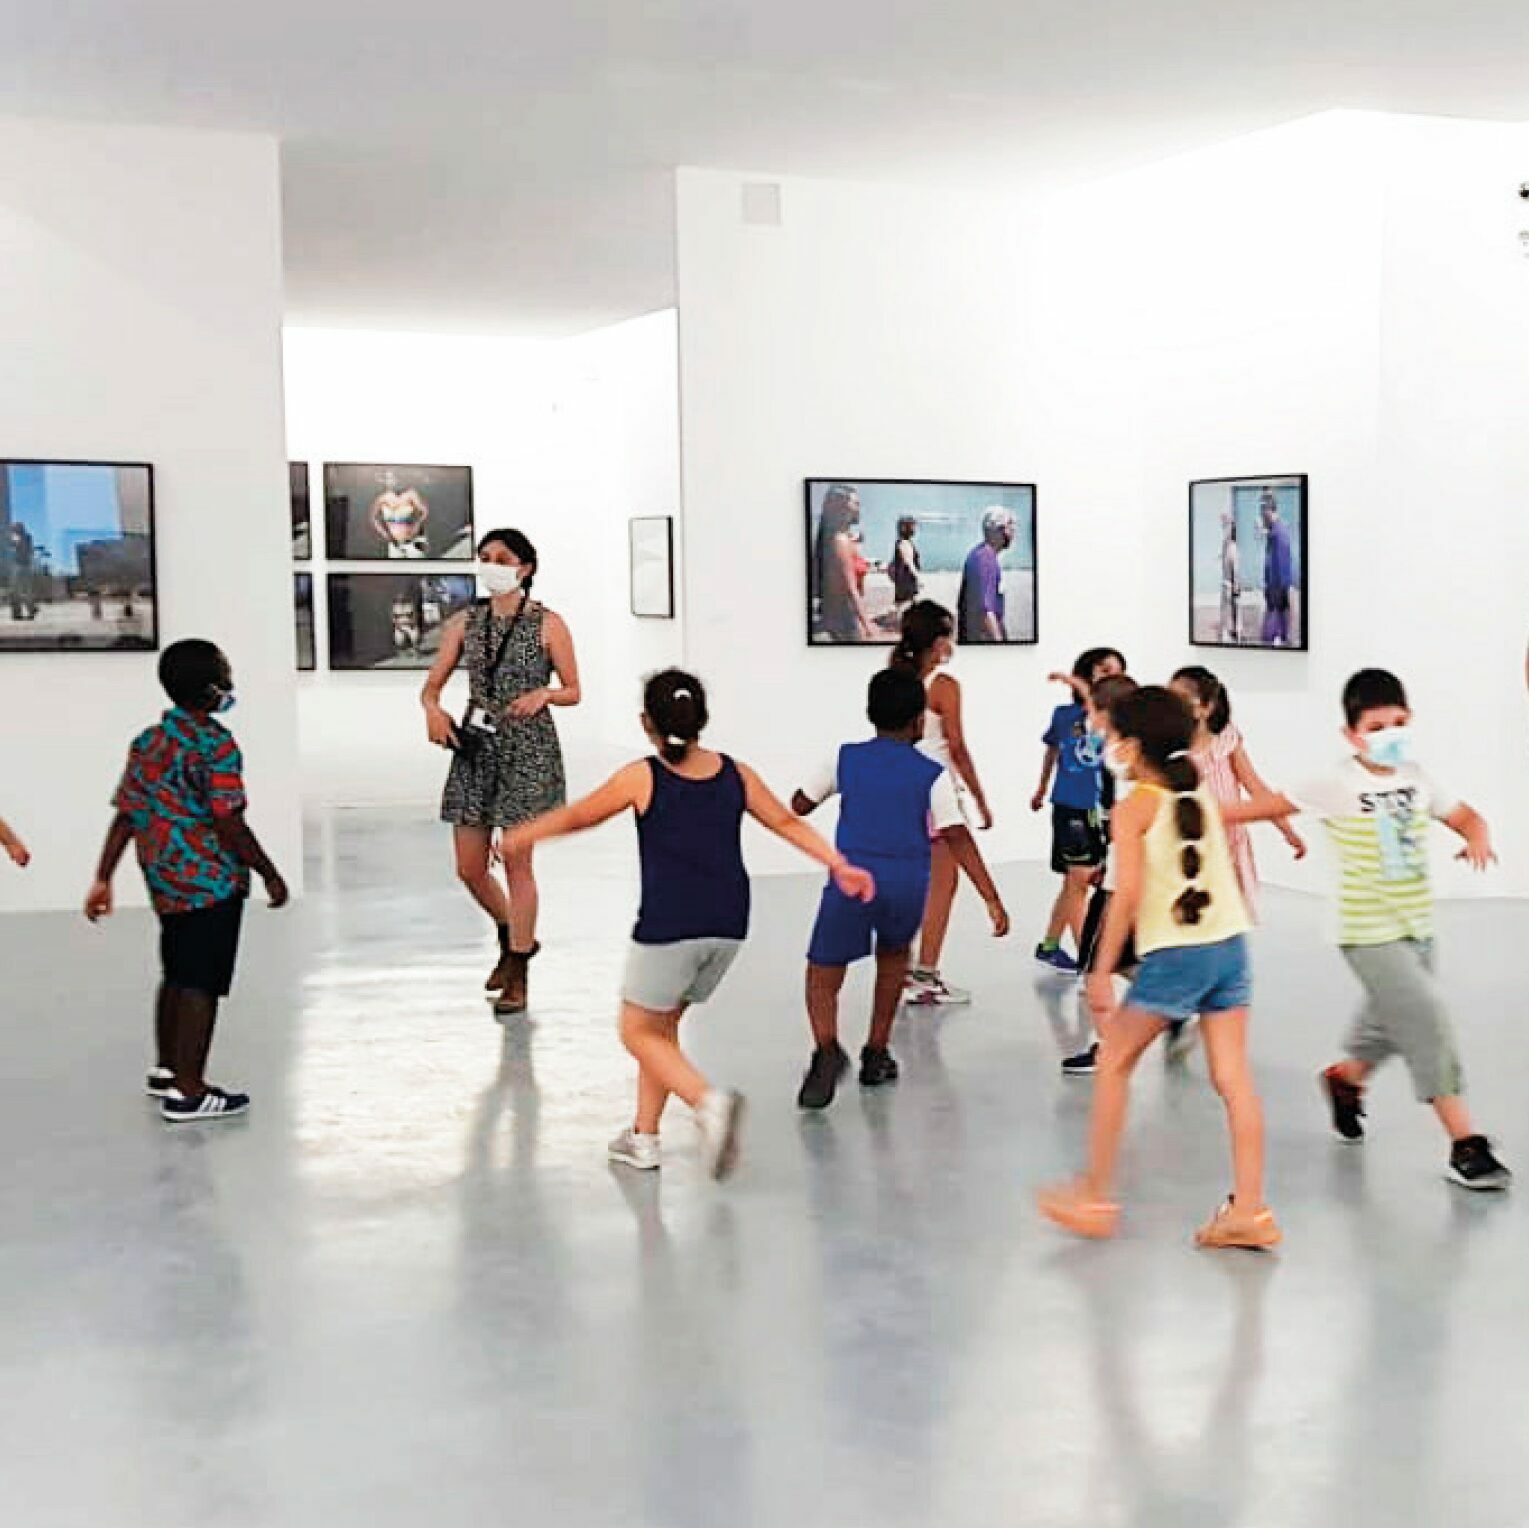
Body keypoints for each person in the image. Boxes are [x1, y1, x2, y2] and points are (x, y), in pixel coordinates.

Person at [501, 669, 874, 1178]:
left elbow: (579, 816)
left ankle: (706, 1103)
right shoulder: (736, 774)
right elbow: (786, 821)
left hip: (669, 925)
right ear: (702, 719)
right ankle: (644, 1137)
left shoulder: (642, 777)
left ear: (645, 722)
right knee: (662, 1029)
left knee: (635, 1030)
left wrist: (522, 836)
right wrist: (838, 864)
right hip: (728, 924)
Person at [1038, 685, 1282, 1249]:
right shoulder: (1197, 796)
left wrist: (1100, 970)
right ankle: (1250, 1209)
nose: (1107, 742)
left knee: (1114, 1062)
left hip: (1178, 953)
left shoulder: (1134, 808)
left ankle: (1093, 1196)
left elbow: (1126, 894)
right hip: (1229, 948)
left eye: (1112, 734)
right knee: (1234, 1080)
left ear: (1131, 745)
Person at [1250, 670, 1510, 1190]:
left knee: (1391, 1022)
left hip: (1416, 925)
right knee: (1426, 1019)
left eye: (1397, 722)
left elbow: (1467, 817)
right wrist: (1179, 808)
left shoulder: (1418, 778)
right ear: (1352, 735)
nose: (1389, 733)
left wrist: (1477, 838)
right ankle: (1464, 1143)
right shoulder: (1336, 784)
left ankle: (1346, 1080)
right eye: (1375, 727)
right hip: (1366, 930)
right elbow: (1261, 807)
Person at [84, 640, 290, 1123]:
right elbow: (228, 820)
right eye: (225, 673)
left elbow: (127, 812)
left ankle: (167, 1068)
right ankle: (190, 1090)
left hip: (164, 877)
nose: (231, 682)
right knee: (203, 982)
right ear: (212, 688)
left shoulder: (149, 741)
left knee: (177, 971)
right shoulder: (215, 745)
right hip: (210, 881)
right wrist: (269, 873)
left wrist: (103, 877)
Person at [792, 668, 1010, 1109]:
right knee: (893, 962)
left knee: (822, 972)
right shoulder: (931, 773)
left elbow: (800, 803)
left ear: (869, 712)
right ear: (919, 721)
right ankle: (876, 1052)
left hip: (852, 879)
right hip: (906, 883)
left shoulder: (844, 758)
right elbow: (956, 835)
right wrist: (991, 897)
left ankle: (826, 1049)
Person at [422, 529, 581, 1016]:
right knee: (470, 867)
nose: (491, 565)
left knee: (517, 862)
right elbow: (432, 685)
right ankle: (512, 932)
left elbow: (574, 689)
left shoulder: (548, 624)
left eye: (503, 558)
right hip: (476, 747)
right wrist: (433, 710)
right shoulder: (465, 623)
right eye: (485, 557)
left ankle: (519, 968)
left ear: (525, 568)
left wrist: (545, 694)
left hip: (527, 750)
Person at [888, 600, 995, 1008]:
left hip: (902, 787)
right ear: (937, 642)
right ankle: (925, 975)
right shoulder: (944, 684)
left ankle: (905, 968)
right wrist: (979, 798)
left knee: (910, 883)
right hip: (935, 790)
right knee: (942, 885)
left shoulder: (896, 678)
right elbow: (957, 747)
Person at [1059, 673, 1140, 1077]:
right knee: (1126, 959)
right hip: (1130, 878)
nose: (1087, 718)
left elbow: (1093, 750)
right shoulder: (1142, 758)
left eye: (1092, 711)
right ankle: (1176, 1003)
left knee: (1094, 969)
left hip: (1120, 887)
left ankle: (1110, 1048)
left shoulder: (1118, 757)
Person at [1032, 647, 1125, 972]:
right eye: (1105, 670)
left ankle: (1049, 946)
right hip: (1071, 808)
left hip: (1101, 811)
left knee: (1074, 883)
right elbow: (1052, 751)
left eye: (1117, 671)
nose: (1112, 677)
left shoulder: (1117, 722)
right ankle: (1090, 961)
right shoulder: (1064, 716)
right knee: (1079, 882)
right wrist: (1041, 787)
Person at [812, 485, 873, 642]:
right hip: (844, 620)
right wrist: (868, 625)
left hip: (836, 615)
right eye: (855, 504)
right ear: (841, 507)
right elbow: (850, 590)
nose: (859, 509)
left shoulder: (835, 538)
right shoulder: (840, 541)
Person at [956, 507, 1016, 643]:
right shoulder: (985, 558)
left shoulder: (984, 555)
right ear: (998, 530)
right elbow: (984, 610)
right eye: (1009, 525)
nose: (1013, 531)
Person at [1259, 490, 1295, 646]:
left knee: (1274, 634)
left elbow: (1282, 565)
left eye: (1262, 511)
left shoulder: (1279, 533)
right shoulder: (1274, 532)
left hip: (1277, 588)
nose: (1261, 516)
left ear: (1269, 510)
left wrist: (1279, 590)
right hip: (1274, 587)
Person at [889, 516, 922, 618]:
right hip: (906, 580)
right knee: (904, 603)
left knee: (906, 603)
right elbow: (908, 561)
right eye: (912, 527)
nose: (914, 530)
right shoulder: (904, 543)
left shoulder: (902, 542)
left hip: (903, 579)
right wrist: (918, 577)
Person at [1219, 509, 1241, 643]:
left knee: (1232, 610)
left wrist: (1236, 587)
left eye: (1225, 525)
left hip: (1230, 585)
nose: (1223, 529)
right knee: (1228, 611)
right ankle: (1230, 633)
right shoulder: (1226, 546)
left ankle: (1233, 633)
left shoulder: (1232, 547)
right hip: (1226, 584)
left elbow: (1235, 569)